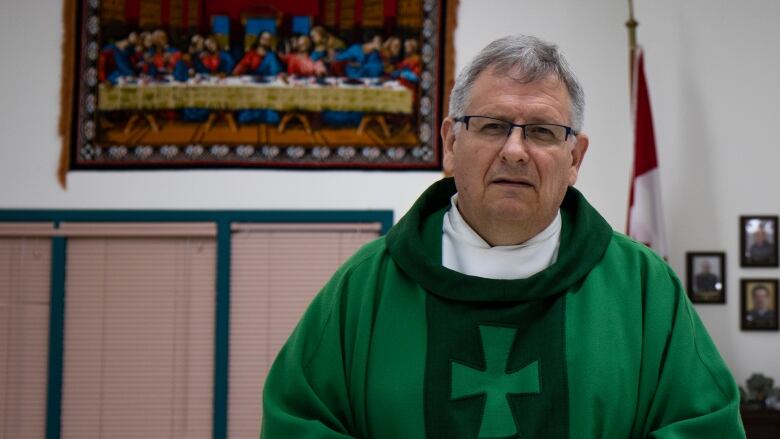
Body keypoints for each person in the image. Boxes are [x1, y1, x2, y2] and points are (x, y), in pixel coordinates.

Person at [261, 34, 746, 438]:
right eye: (492, 126)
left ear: (574, 158)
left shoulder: (643, 291)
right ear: (451, 144)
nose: (515, 151)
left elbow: (704, 426)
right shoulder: (364, 288)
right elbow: (299, 423)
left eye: (541, 131)